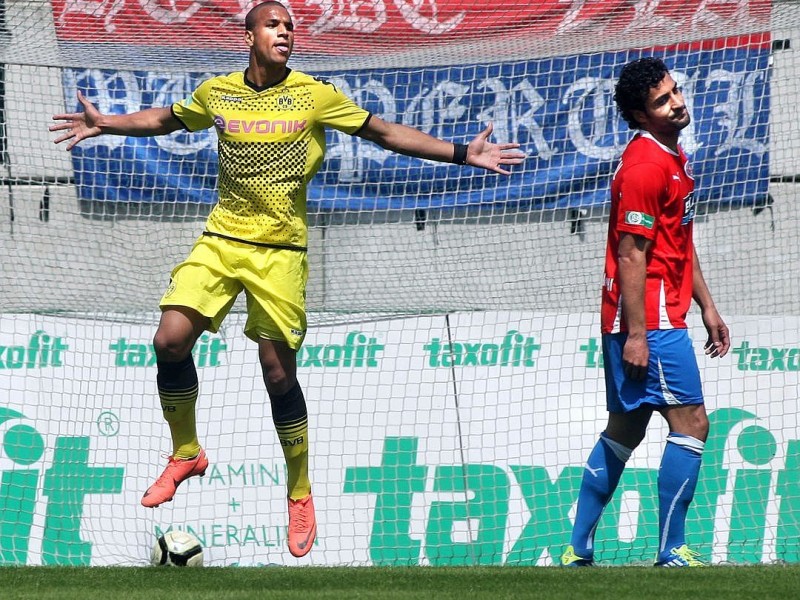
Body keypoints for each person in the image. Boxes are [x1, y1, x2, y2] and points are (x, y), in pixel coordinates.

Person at [50, 1, 525, 559]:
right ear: (249, 33)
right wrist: (105, 122)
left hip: (281, 252)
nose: (285, 32)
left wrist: (460, 152)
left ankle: (299, 492)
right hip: (223, 241)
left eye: (291, 26)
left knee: (277, 375)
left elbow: (384, 132)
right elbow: (166, 119)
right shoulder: (218, 92)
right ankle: (186, 452)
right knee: (169, 339)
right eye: (274, 24)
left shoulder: (314, 95)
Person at [560, 57, 730, 568]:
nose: (676, 102)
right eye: (662, 100)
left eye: (675, 92)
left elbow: (678, 243)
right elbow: (633, 253)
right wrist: (638, 333)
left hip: (652, 314)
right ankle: (671, 549)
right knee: (693, 423)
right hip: (650, 319)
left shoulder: (671, 157)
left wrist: (708, 306)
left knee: (626, 428)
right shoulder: (645, 166)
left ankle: (577, 549)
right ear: (640, 114)